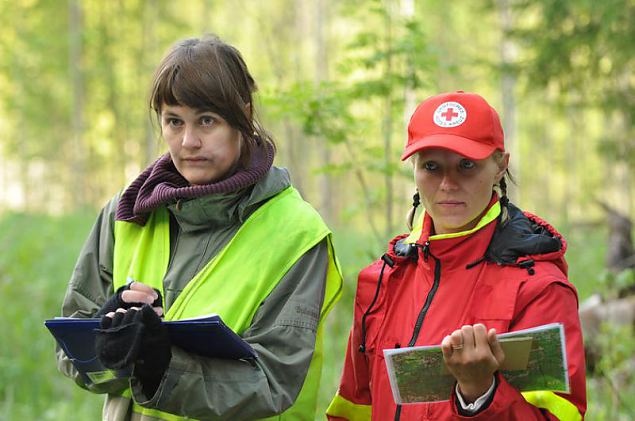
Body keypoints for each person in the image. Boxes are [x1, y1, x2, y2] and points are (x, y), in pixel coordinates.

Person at [56, 34, 343, 421]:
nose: (189, 141)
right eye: (174, 121)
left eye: (207, 120)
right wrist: (107, 341)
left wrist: (162, 367)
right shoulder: (125, 213)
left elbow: (274, 382)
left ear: (243, 115)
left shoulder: (297, 234)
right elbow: (74, 358)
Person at [326, 91, 586, 420]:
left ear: (500, 166)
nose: (448, 183)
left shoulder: (538, 289)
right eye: (432, 167)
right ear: (414, 171)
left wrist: (480, 394)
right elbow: (354, 408)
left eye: (466, 165)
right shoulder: (381, 281)